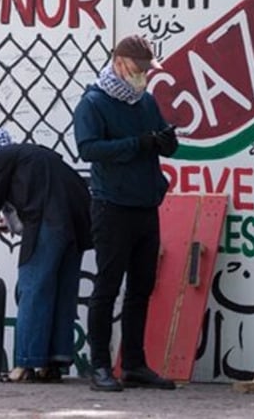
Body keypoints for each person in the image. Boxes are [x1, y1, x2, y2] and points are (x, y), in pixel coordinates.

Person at [73, 34, 178, 392]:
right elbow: (88, 150)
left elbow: (161, 137)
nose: (144, 75)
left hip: (145, 205)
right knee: (107, 286)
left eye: (148, 69)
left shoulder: (145, 101)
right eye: (139, 68)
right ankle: (100, 365)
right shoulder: (93, 102)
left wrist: (167, 141)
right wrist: (139, 144)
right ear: (118, 63)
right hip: (111, 206)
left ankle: (134, 364)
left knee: (141, 288)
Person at [0, 128, 92, 383]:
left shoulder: (0, 157)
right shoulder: (35, 155)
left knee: (32, 289)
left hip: (51, 220)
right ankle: (53, 363)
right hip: (78, 221)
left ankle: (25, 364)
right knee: (61, 289)